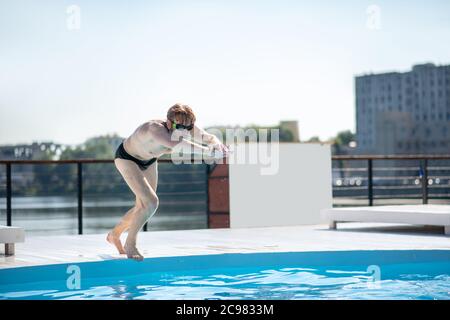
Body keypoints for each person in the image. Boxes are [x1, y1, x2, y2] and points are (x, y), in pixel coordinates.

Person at [108, 103, 229, 260]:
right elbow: (177, 145)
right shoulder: (155, 129)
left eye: (188, 127)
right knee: (151, 203)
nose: (185, 131)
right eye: (180, 127)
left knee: (143, 207)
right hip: (127, 159)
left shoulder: (185, 126)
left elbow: (210, 138)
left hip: (149, 160)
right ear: (169, 122)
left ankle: (114, 234)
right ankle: (130, 244)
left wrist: (218, 146)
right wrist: (208, 151)